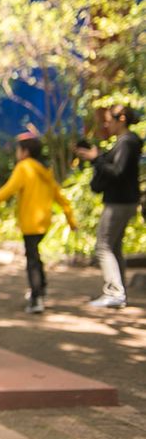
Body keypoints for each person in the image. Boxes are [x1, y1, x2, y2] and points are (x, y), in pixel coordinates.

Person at [0, 134, 77, 314]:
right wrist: (70, 219)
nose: (16, 154)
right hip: (44, 221)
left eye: (18, 150)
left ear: (25, 152)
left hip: (30, 221)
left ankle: (36, 298)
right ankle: (42, 289)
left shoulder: (25, 167)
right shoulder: (44, 170)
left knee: (32, 259)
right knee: (35, 255)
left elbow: (8, 190)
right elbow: (60, 196)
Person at [75, 104, 143, 309]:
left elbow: (118, 172)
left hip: (119, 202)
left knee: (103, 246)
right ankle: (118, 291)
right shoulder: (126, 142)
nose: (106, 124)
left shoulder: (126, 142)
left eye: (109, 120)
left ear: (121, 119)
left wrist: (96, 160)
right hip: (125, 201)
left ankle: (115, 292)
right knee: (114, 247)